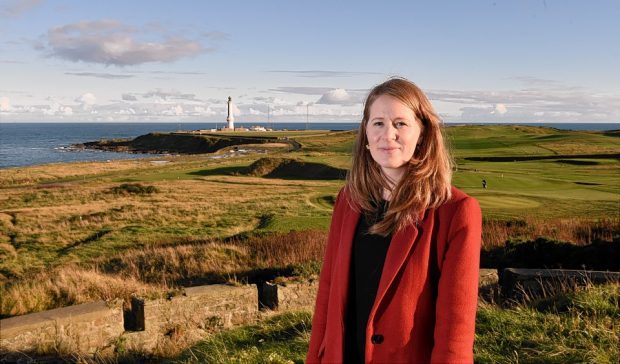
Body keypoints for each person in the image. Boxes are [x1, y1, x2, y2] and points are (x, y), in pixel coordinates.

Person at [306, 78, 482, 363]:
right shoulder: (348, 200)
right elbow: (327, 294)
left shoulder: (456, 211)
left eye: (401, 123)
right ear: (365, 134)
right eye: (378, 123)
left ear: (422, 133)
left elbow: (456, 329)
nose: (388, 135)